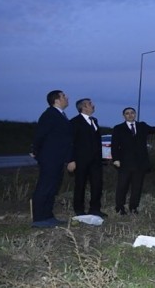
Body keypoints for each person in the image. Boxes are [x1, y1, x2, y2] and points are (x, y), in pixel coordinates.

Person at [111, 107, 155, 215]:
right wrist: (115, 159)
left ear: (135, 114)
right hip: (124, 163)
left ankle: (133, 208)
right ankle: (120, 208)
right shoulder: (118, 128)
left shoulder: (142, 126)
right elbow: (115, 145)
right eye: (127, 113)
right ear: (123, 116)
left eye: (132, 113)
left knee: (137, 187)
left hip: (140, 163)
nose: (130, 115)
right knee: (122, 187)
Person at [30, 90, 76, 227]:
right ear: (56, 100)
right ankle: (39, 219)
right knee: (45, 187)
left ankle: (48, 216)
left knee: (52, 188)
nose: (67, 98)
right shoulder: (50, 115)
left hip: (58, 158)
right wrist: (35, 150)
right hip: (50, 158)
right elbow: (40, 134)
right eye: (63, 96)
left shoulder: (60, 115)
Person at [70, 98, 107, 217]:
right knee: (80, 185)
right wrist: (71, 160)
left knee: (97, 184)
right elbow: (71, 142)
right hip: (81, 160)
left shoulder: (94, 120)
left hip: (95, 161)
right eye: (90, 104)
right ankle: (79, 210)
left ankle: (95, 209)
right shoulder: (75, 122)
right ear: (83, 107)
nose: (93, 105)